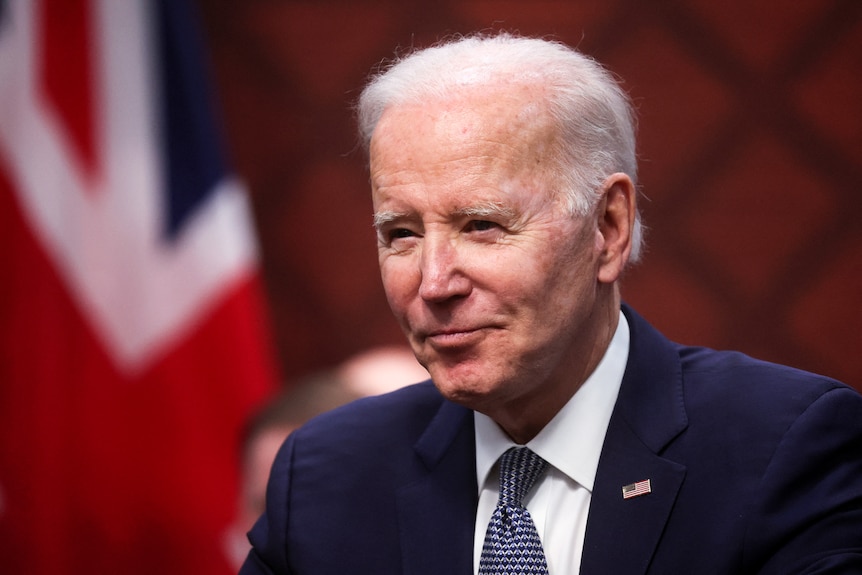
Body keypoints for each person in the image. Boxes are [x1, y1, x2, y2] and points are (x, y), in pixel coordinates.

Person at [240, 33, 862, 574]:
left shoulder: (783, 447)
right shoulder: (325, 478)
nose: (433, 284)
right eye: (401, 233)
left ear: (609, 227)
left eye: (481, 224)